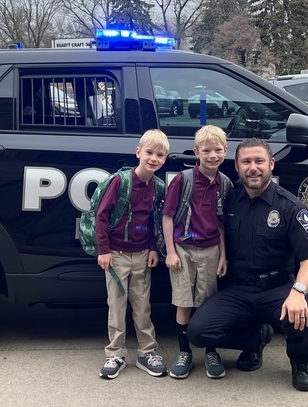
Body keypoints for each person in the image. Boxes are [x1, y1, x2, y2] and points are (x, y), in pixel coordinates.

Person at [187, 138, 308, 391]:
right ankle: (254, 340)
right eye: (246, 162)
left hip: (277, 288)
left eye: (259, 161)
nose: (253, 168)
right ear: (237, 167)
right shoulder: (228, 199)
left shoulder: (289, 207)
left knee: (305, 316)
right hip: (238, 289)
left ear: (271, 163)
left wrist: (298, 293)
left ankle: (302, 362)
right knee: (198, 332)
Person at [97, 129, 169, 379]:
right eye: (149, 152)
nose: (154, 158)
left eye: (160, 155)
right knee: (116, 306)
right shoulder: (121, 181)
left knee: (142, 306)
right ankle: (115, 353)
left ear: (165, 159)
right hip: (115, 254)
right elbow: (101, 215)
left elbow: (154, 222)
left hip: (141, 255)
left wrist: (152, 248)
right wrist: (103, 250)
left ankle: (147, 352)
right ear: (138, 152)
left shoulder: (158, 187)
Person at [161, 125, 230, 379]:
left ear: (226, 151)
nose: (213, 155)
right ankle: (184, 352)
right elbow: (167, 217)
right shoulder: (184, 180)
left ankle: (211, 351)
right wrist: (170, 251)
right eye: (207, 150)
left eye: (218, 150)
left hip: (211, 249)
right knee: (183, 301)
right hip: (183, 248)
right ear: (196, 152)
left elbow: (223, 223)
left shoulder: (225, 184)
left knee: (207, 301)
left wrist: (223, 255)